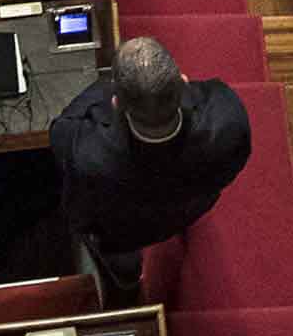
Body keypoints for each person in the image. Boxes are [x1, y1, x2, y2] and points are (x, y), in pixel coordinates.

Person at [47, 36, 252, 280]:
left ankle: (128, 280)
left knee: (120, 253)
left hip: (123, 230)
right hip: (188, 207)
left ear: (116, 103)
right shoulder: (229, 122)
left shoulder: (85, 154)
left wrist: (109, 85)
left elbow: (63, 125)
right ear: (183, 82)